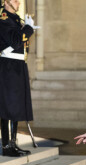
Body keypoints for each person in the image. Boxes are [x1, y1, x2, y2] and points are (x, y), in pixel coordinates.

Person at [0, 0, 38, 156]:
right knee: (8, 105)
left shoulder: (16, 19)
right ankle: (6, 146)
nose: (19, 3)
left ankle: (13, 144)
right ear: (6, 1)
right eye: (15, 0)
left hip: (18, 65)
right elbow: (16, 40)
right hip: (8, 66)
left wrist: (25, 28)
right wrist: (28, 29)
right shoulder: (3, 19)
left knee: (15, 105)